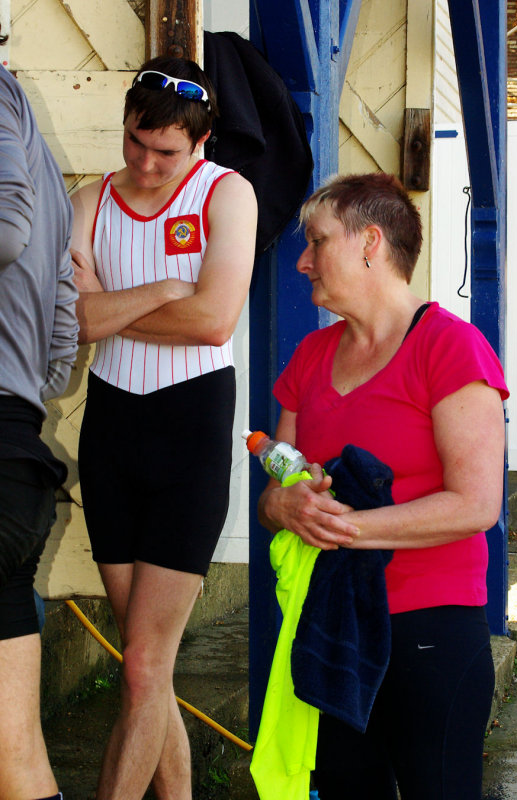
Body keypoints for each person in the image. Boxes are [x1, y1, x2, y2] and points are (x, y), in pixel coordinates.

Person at [258, 173, 508, 800]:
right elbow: (280, 488)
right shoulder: (311, 357)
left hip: (431, 628)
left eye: (317, 242)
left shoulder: (451, 346)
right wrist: (284, 505)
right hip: (333, 628)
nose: (302, 261)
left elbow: (476, 504)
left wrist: (345, 527)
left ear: (370, 242)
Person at [70, 55, 257, 800]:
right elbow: (78, 322)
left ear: (201, 142)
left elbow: (214, 322)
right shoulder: (89, 199)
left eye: (166, 152)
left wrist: (119, 309)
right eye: (135, 142)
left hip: (191, 428)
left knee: (143, 667)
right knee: (148, 661)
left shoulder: (227, 194)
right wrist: (163, 289)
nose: (147, 164)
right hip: (111, 430)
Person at [0, 30, 79, 800]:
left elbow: (4, 233)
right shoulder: (48, 167)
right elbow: (61, 342)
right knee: (14, 754)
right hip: (15, 450)